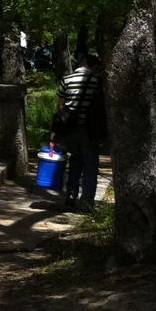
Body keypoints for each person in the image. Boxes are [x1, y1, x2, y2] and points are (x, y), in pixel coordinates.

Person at [57, 52, 103, 212]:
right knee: (90, 165)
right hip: (89, 129)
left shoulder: (66, 79)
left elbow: (61, 106)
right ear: (94, 66)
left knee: (75, 161)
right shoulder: (97, 82)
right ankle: (87, 201)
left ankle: (71, 194)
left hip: (70, 128)